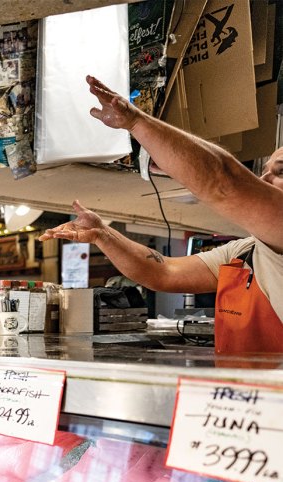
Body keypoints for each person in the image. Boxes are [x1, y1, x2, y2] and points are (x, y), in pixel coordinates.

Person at [39, 75, 283, 354]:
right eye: (262, 172)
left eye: (281, 171)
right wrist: (103, 235)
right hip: (238, 395)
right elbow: (162, 272)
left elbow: (223, 180)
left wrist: (136, 122)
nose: (263, 181)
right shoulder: (245, 253)